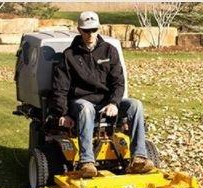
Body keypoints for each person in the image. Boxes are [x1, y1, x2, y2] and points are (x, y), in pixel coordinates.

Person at [49, 11, 154, 177]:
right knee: (85, 108)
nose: (90, 34)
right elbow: (60, 88)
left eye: (94, 30)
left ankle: (139, 158)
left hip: (107, 103)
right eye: (86, 30)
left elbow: (118, 82)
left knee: (136, 105)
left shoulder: (109, 51)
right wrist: (62, 114)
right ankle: (87, 162)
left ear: (98, 29)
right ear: (79, 30)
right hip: (82, 102)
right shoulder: (69, 56)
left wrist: (114, 103)